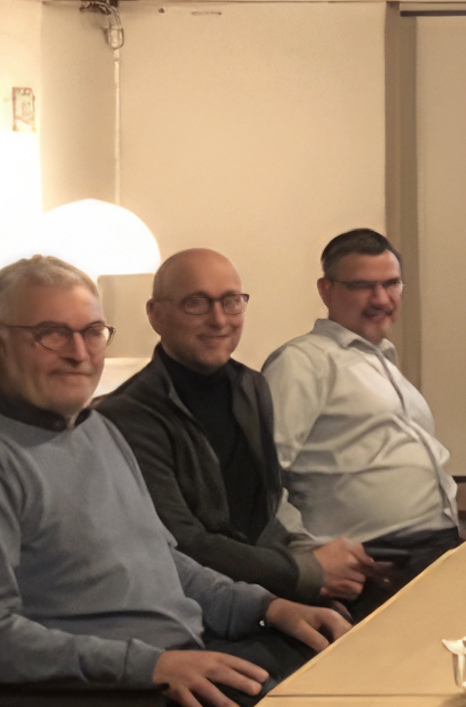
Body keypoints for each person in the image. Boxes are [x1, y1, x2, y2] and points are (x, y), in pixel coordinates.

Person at [0, 256, 352, 707]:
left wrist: (265, 607)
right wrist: (149, 667)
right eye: (51, 334)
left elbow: (164, 560)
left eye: (92, 332)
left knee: (332, 677)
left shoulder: (96, 430)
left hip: (162, 673)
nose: (79, 352)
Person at [99, 249, 377, 608]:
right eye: (197, 303)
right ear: (156, 314)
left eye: (231, 302)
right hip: (198, 605)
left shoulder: (252, 386)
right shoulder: (126, 416)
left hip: (267, 582)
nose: (219, 320)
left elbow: (266, 509)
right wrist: (303, 571)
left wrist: (317, 554)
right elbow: (184, 543)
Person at [264, 229, 464, 596]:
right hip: (373, 563)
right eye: (362, 286)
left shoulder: (380, 359)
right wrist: (307, 556)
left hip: (435, 545)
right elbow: (261, 475)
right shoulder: (303, 362)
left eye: (391, 284)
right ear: (326, 290)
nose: (381, 299)